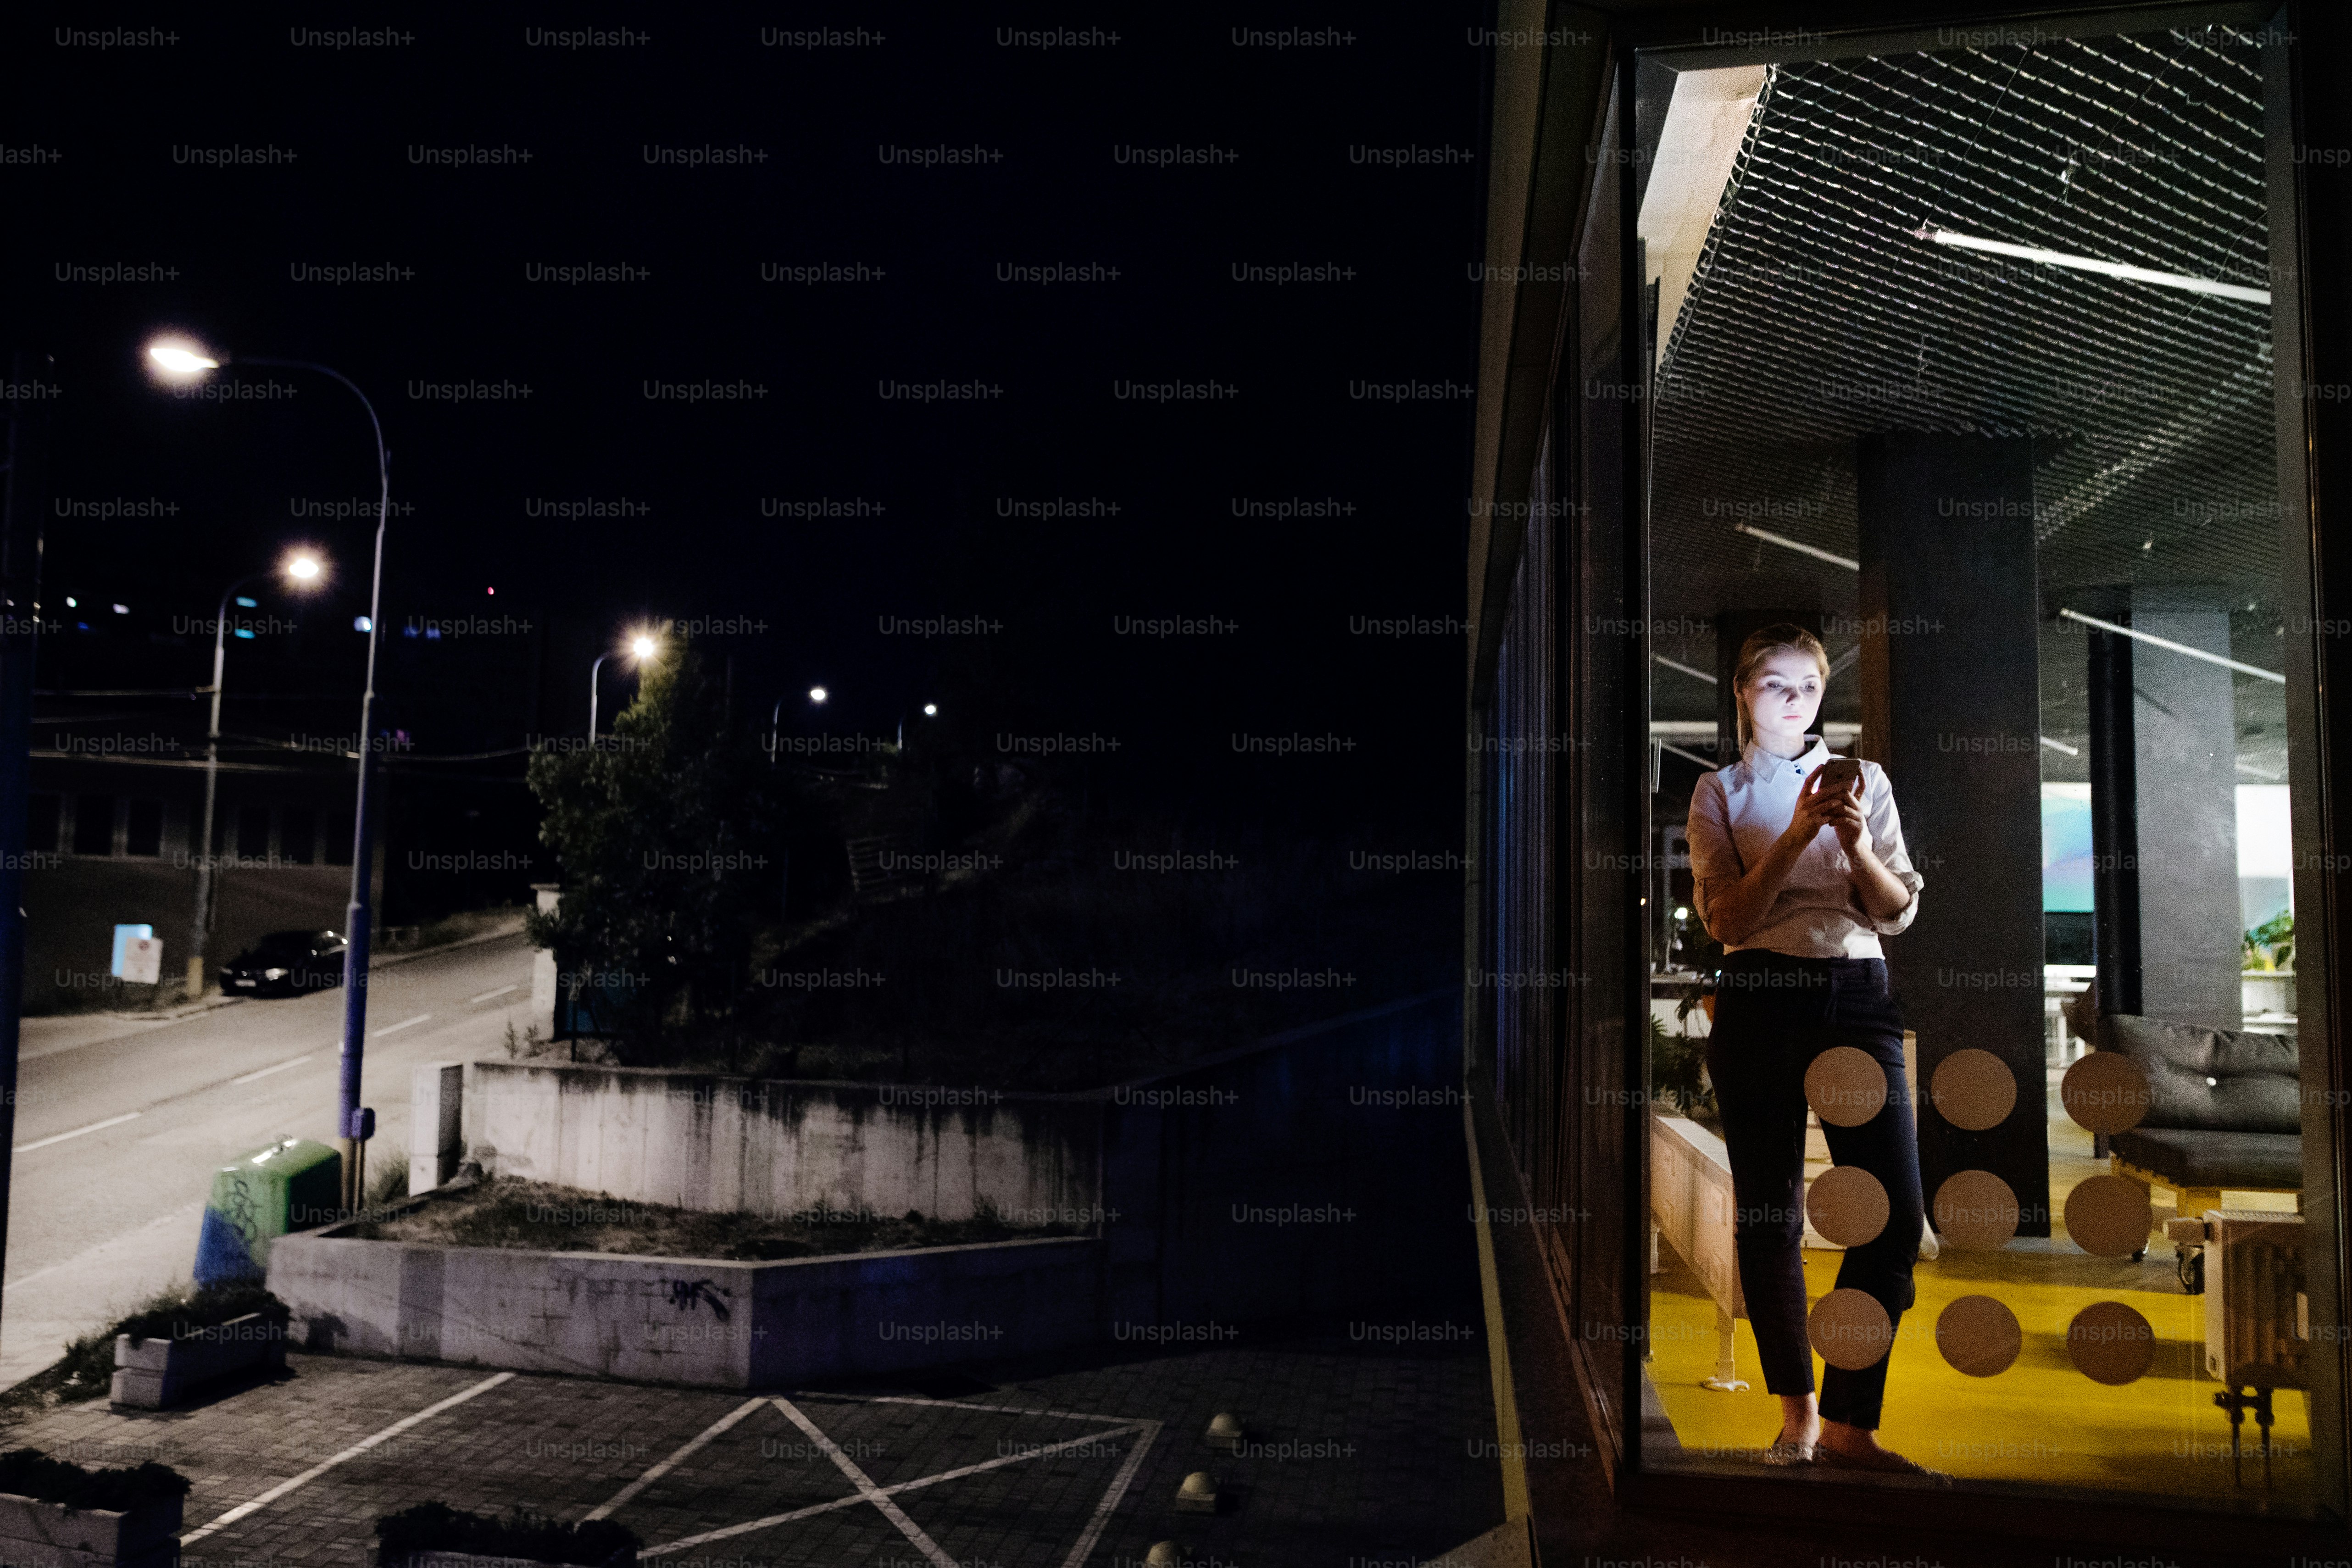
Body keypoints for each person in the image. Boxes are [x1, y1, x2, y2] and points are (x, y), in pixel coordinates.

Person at [1684, 623, 1940, 1477]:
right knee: (1771, 1212)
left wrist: (1856, 841)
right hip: (1758, 994)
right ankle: (1798, 1413)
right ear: (1744, 695)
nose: (1794, 701)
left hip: (1855, 992)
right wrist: (1796, 833)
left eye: (1808, 687)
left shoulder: (1867, 781)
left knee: (1897, 1214)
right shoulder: (1717, 792)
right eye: (1775, 685)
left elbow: (1897, 907)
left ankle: (1850, 1422)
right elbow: (1727, 921)